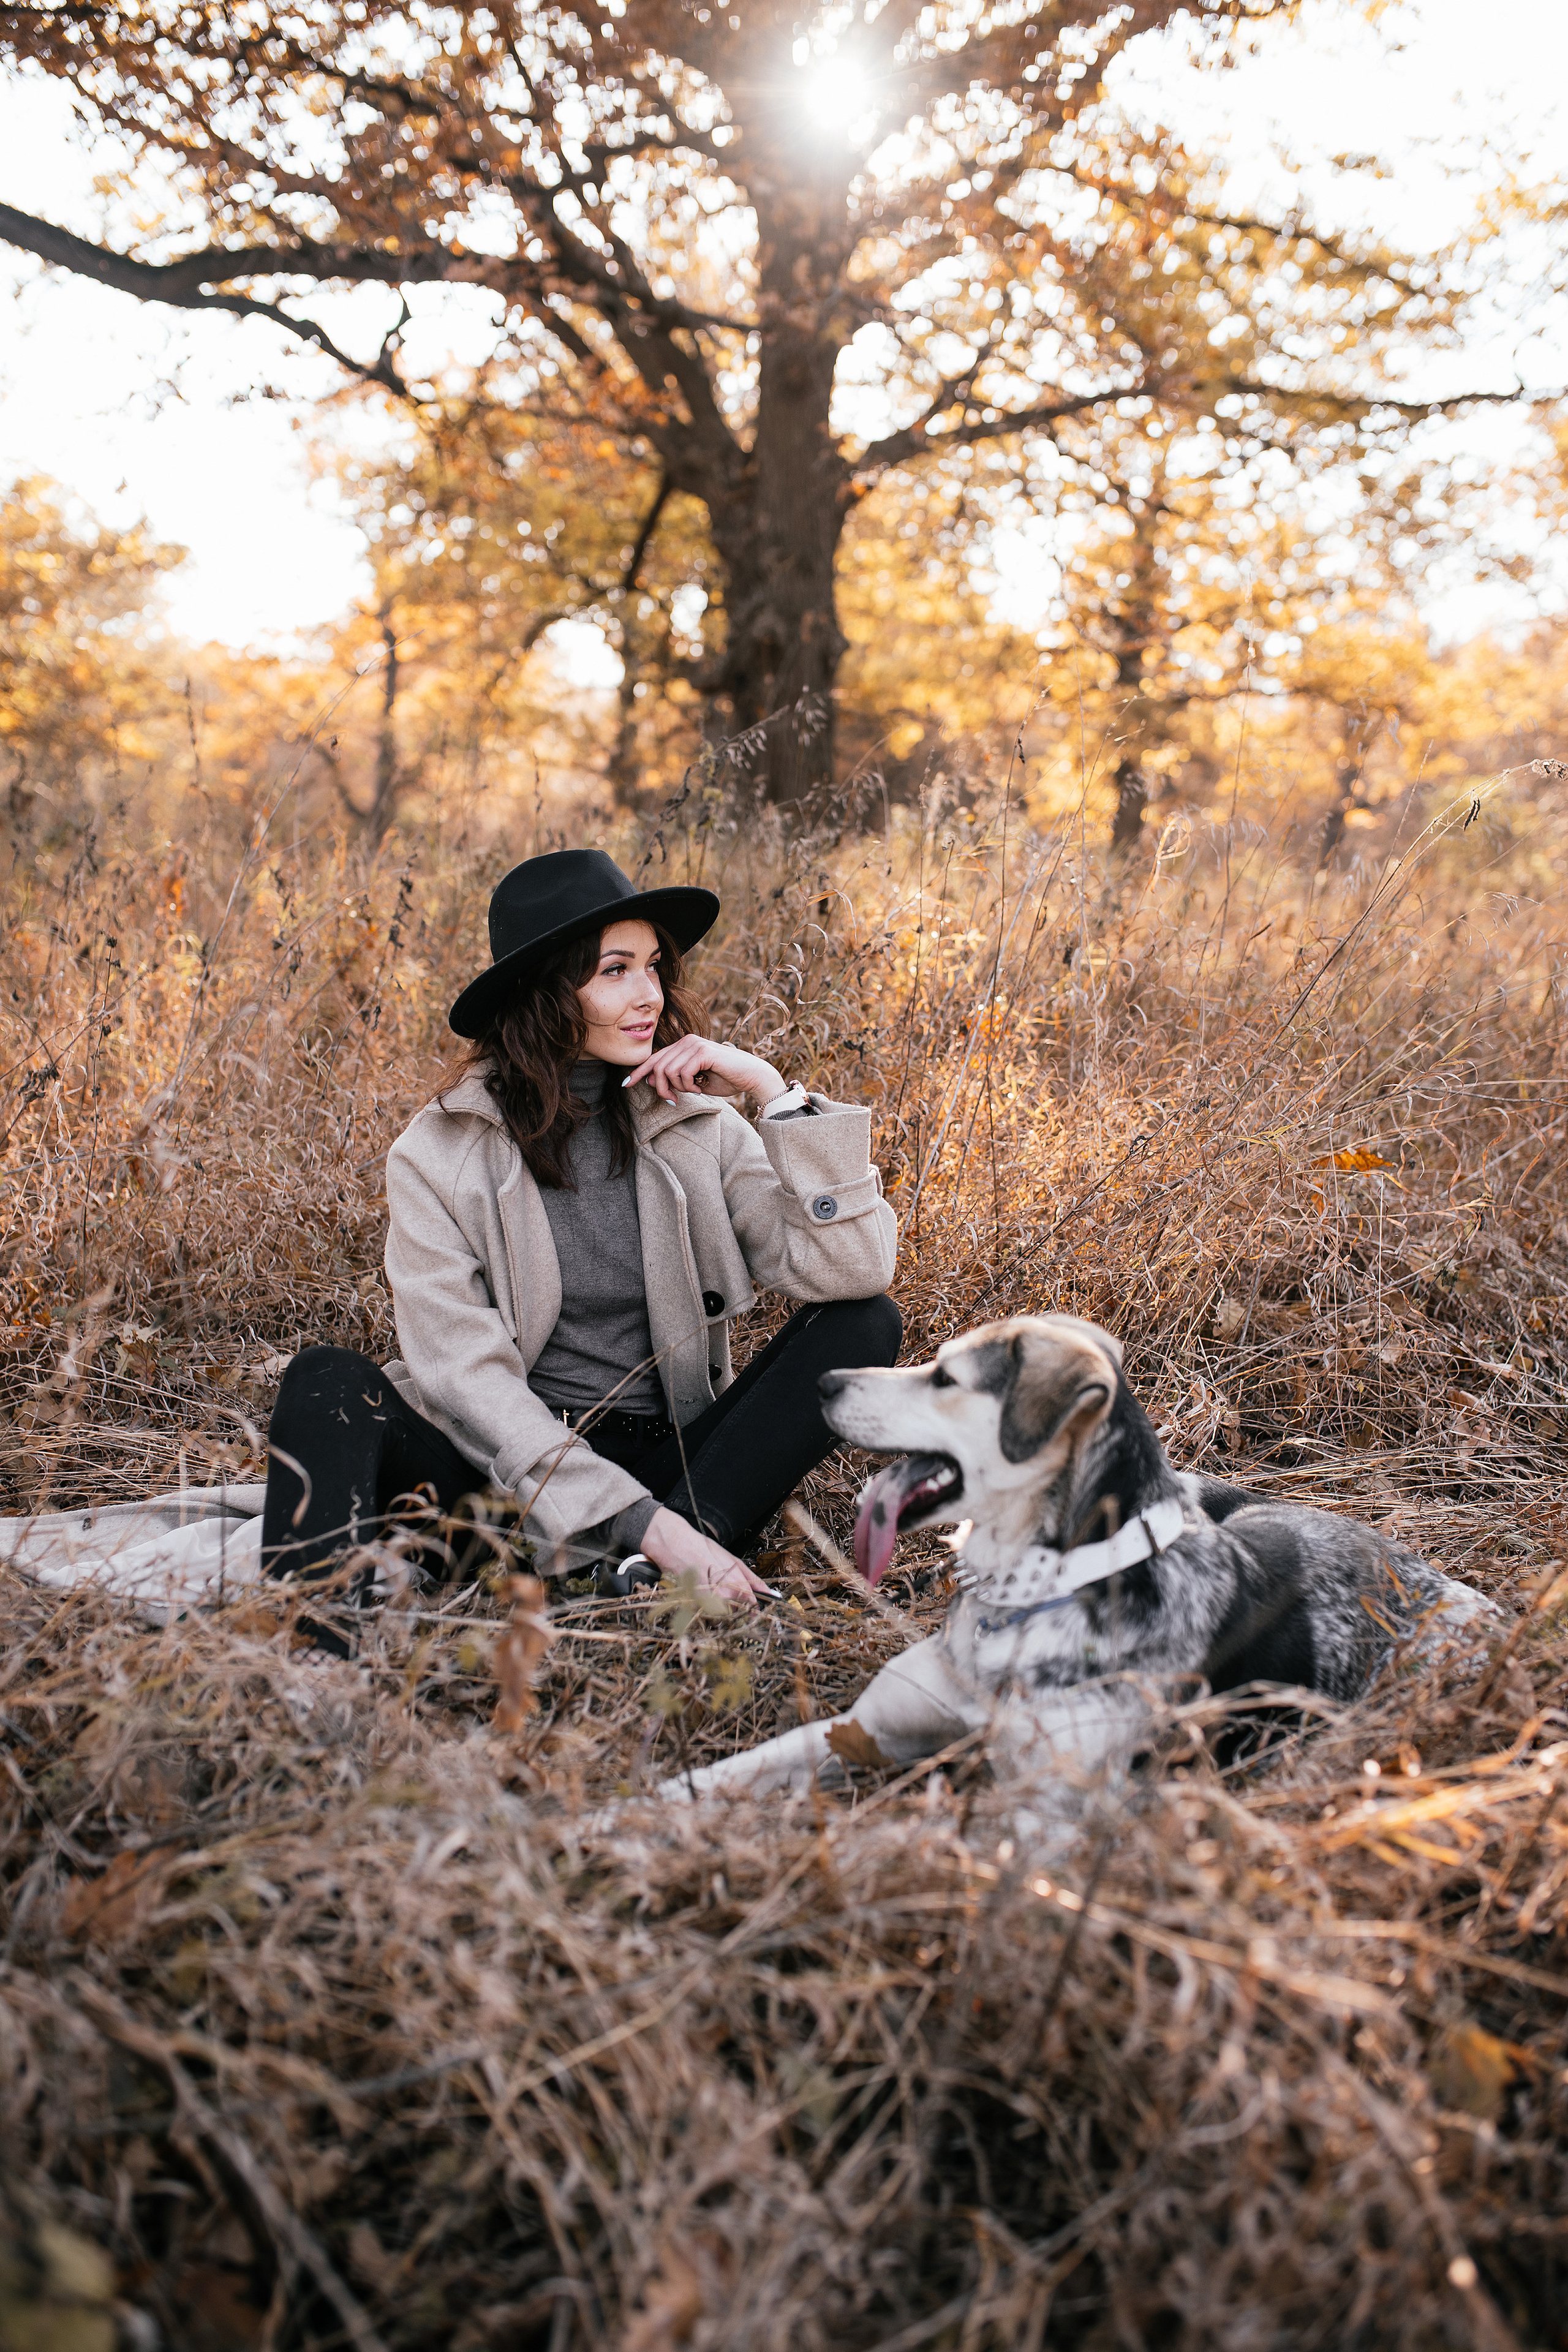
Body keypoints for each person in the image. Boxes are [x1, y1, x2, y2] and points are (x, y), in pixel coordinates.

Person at [262, 847, 901, 1632]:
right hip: (500, 1477)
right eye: (615, 971)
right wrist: (641, 1522)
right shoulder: (438, 1155)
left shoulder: (699, 1129)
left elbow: (856, 1269)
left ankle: (655, 1562)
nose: (649, 996)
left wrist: (774, 1093)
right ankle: (312, 1654)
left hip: (674, 1469)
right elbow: (466, 1378)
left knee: (865, 1322)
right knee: (326, 1379)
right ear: (544, 994)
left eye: (654, 967)